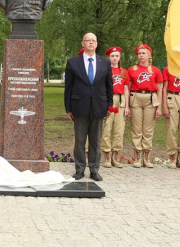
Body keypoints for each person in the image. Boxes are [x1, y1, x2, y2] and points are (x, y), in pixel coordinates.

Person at [64, 33, 113, 181]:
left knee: (96, 140)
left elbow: (109, 86)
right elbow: (68, 87)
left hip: (99, 106)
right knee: (79, 140)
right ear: (82, 43)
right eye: (88, 40)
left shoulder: (105, 63)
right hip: (79, 106)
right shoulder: (73, 62)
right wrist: (68, 108)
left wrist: (109, 106)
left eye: (93, 40)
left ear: (96, 44)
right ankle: (79, 170)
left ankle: (94, 170)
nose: (91, 43)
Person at [125, 44, 163, 168]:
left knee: (148, 129)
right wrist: (127, 106)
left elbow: (160, 89)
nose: (141, 55)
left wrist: (159, 107)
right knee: (136, 128)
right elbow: (128, 88)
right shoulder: (132, 70)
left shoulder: (155, 70)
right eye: (139, 53)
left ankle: (146, 157)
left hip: (150, 99)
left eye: (144, 53)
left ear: (149, 55)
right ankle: (137, 157)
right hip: (136, 97)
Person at [101, 46, 128, 168]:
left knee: (119, 130)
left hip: (120, 101)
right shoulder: (104, 70)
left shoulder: (124, 72)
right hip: (108, 100)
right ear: (109, 57)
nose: (114, 58)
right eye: (112, 56)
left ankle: (115, 157)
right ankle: (106, 156)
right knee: (107, 129)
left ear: (120, 57)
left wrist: (127, 106)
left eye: (117, 56)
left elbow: (126, 89)